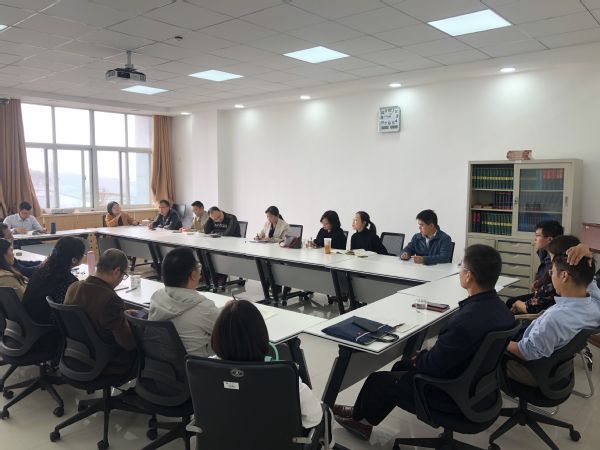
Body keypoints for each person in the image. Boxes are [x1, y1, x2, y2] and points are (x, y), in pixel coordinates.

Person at [334, 244, 515, 440]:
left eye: (461, 267)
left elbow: (434, 366)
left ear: (468, 276)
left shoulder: (464, 321)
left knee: (378, 380)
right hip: (479, 391)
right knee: (400, 366)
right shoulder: (503, 312)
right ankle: (360, 415)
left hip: (450, 394)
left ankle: (360, 422)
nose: (459, 271)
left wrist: (419, 358)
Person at [211, 299, 322, 429]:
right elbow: (313, 417)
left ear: (217, 335)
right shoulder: (283, 375)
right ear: (261, 336)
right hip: (276, 437)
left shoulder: (203, 369)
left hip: (222, 435)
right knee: (324, 412)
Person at [505, 235, 600, 386]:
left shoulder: (555, 318)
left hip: (533, 371)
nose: (551, 275)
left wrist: (500, 342)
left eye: (552, 272)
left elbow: (525, 352)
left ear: (564, 275)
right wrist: (585, 252)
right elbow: (589, 280)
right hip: (555, 370)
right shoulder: (595, 305)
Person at [64, 249, 136, 375]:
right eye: (124, 275)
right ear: (116, 271)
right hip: (106, 362)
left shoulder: (74, 287)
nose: (122, 279)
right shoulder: (111, 300)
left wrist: (121, 315)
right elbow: (127, 343)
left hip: (75, 355)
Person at [149, 247, 220, 357]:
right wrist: (228, 311)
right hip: (195, 366)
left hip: (162, 363)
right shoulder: (204, 308)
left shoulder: (156, 297)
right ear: (193, 275)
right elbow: (226, 329)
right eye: (198, 266)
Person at [22, 236, 86, 324]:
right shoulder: (69, 281)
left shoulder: (42, 270)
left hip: (28, 322)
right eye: (83, 254)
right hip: (46, 326)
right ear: (74, 260)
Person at [506, 220, 563, 314]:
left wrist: (539, 284)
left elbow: (546, 290)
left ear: (549, 239)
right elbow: (542, 273)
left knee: (512, 303)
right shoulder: (543, 252)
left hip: (547, 300)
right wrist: (537, 281)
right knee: (510, 302)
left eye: (537, 235)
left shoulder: (556, 262)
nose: (535, 239)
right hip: (542, 293)